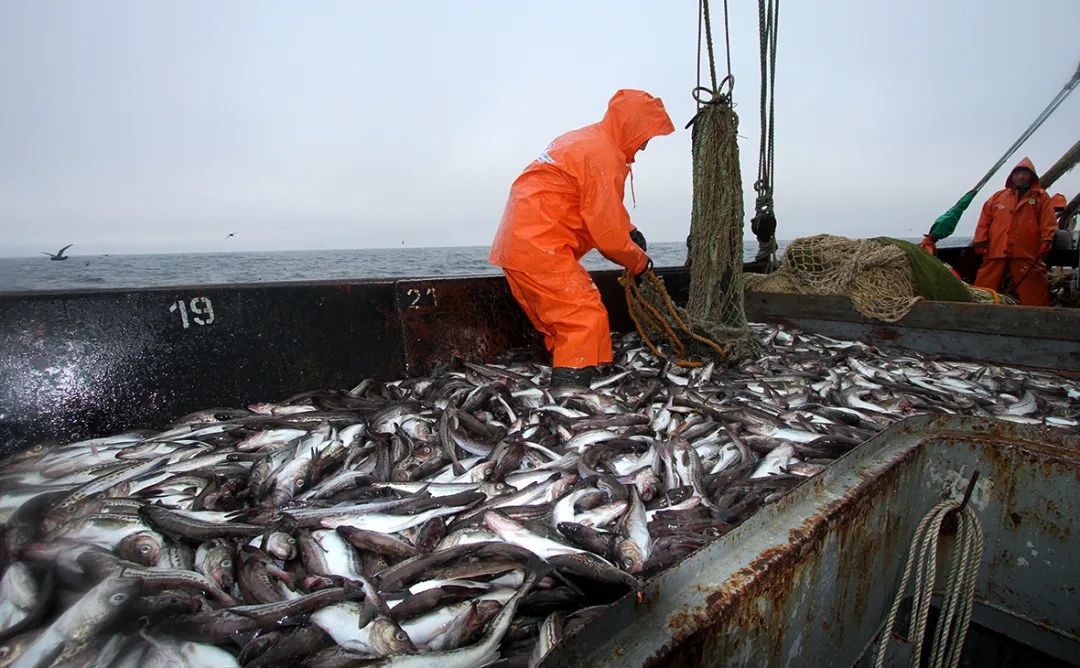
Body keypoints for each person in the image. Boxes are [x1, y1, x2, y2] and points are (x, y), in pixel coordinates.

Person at [489, 89, 675, 387]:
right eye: (645, 139)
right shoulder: (604, 156)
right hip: (540, 248)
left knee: (559, 322)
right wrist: (640, 264)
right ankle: (569, 394)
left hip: (515, 247)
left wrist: (630, 231)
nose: (643, 149)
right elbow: (608, 235)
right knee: (583, 316)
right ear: (634, 127)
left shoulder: (585, 141)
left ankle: (575, 374)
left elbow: (596, 206)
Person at [971, 158, 1057, 306]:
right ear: (1012, 176)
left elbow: (1048, 221)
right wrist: (980, 241)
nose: (1021, 177)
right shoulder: (998, 197)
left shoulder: (1041, 197)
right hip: (996, 251)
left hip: (1026, 253)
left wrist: (1047, 239)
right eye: (1017, 174)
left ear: (1032, 177)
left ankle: (1039, 318)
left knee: (1035, 291)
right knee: (983, 290)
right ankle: (974, 315)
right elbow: (984, 221)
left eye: (1025, 173)